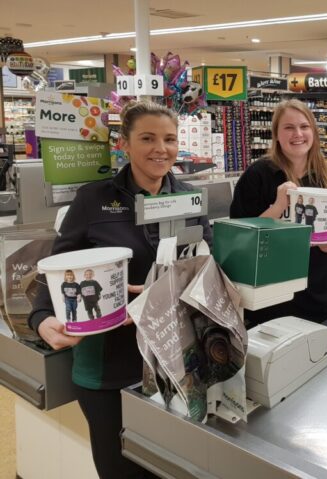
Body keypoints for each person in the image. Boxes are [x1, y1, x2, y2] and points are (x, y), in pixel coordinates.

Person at [28, 101, 212, 479]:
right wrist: (42, 318)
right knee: (119, 469)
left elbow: (206, 267)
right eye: (147, 138)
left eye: (169, 139)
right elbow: (59, 264)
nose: (161, 148)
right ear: (124, 144)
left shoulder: (190, 199)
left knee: (169, 466)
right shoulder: (93, 199)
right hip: (108, 366)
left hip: (173, 363)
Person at [230, 99, 327, 324]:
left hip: (320, 293)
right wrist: (277, 208)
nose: (298, 134)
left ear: (313, 131)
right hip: (272, 297)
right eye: (289, 127)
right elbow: (239, 237)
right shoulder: (257, 176)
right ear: (276, 134)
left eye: (304, 126)